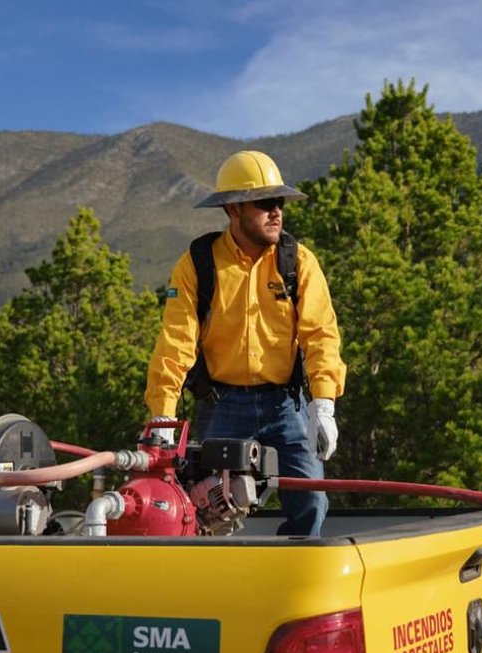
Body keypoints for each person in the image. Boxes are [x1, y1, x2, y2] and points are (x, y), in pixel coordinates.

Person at [145, 150, 346, 536]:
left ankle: (292, 570)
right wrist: (162, 417)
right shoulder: (198, 263)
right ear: (233, 209)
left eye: (280, 202)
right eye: (265, 203)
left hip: (285, 404)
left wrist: (323, 405)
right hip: (222, 404)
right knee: (206, 507)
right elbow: (175, 343)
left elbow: (320, 334)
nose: (277, 212)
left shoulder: (297, 261)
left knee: (311, 501)